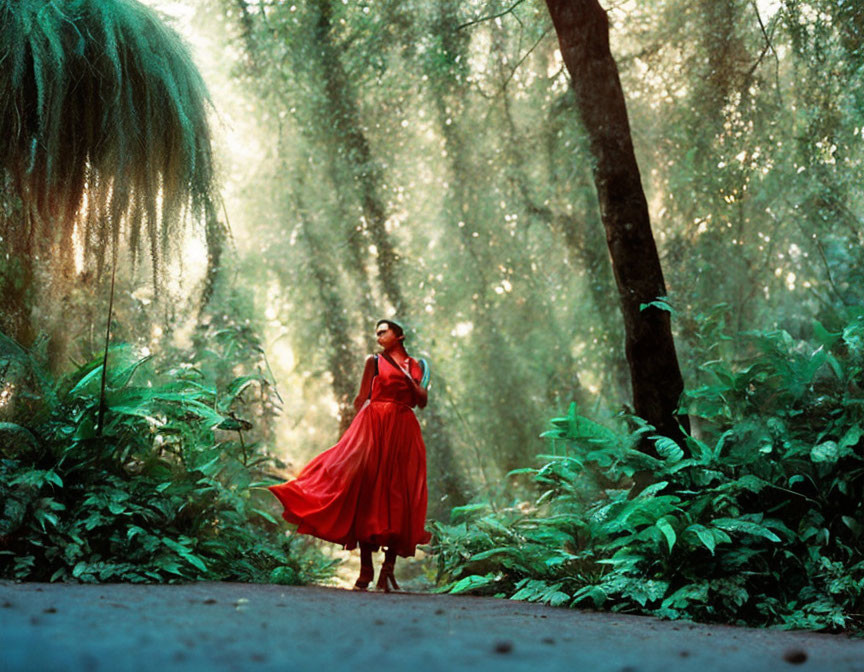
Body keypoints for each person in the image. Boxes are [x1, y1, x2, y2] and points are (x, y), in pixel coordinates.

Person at [268, 319, 431, 591]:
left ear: (399, 335)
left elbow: (422, 401)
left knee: (400, 494)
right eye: (377, 332)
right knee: (366, 492)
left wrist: (407, 379)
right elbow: (361, 398)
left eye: (384, 331)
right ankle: (365, 571)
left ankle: (387, 570)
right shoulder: (374, 361)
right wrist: (353, 435)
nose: (378, 336)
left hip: (404, 430)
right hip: (374, 427)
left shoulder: (416, 365)